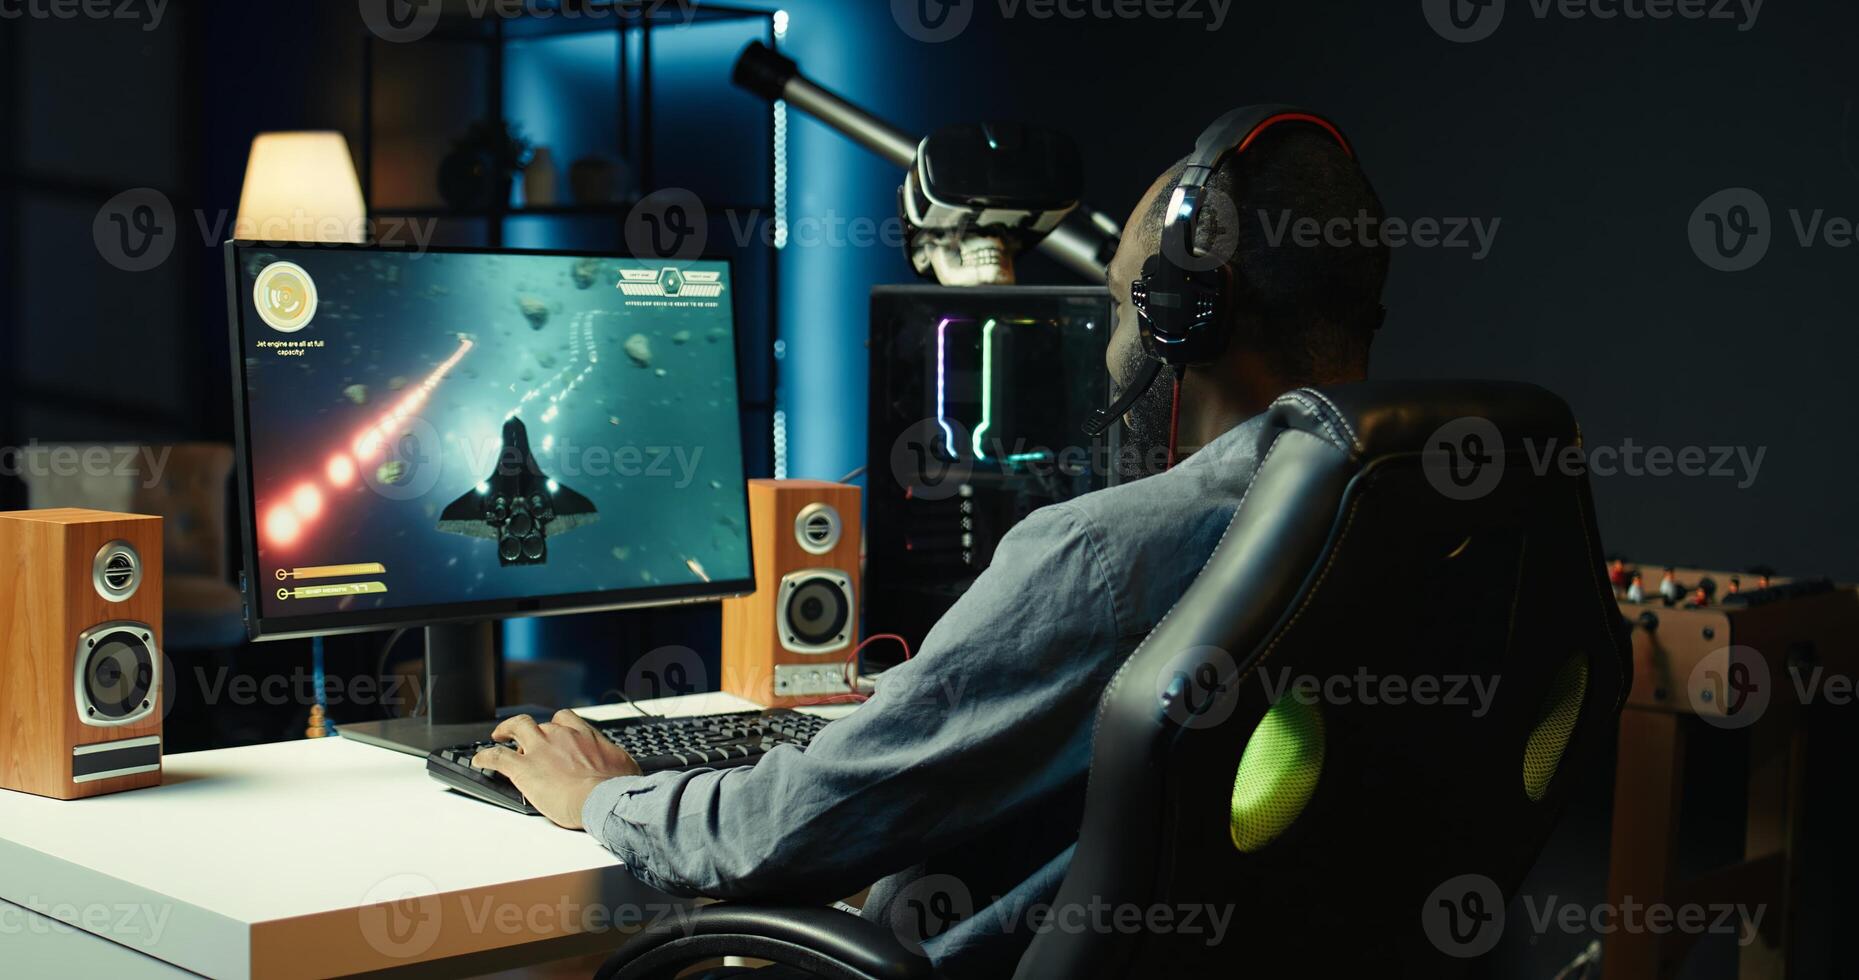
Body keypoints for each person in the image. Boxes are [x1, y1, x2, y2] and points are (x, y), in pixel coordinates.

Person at [472, 116, 1391, 978]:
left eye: (1122, 306)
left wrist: (598, 795)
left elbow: (769, 835)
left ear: (1188, 318)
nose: (1115, 349)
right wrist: (931, 703)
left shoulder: (1102, 553)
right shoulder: (1411, 518)